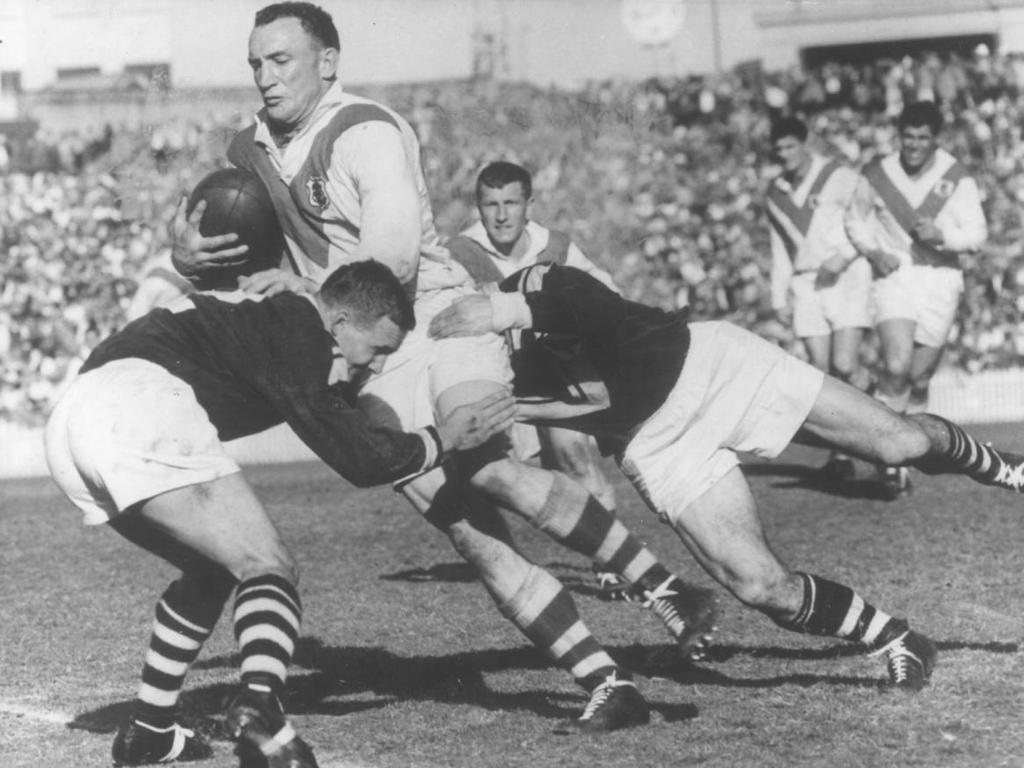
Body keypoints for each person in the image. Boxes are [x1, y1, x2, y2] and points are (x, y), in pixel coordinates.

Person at [168, 2, 715, 733]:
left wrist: (300, 288)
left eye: (282, 60)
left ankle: (663, 586)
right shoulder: (249, 153)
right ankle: (606, 681)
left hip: (435, 317)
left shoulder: (366, 132)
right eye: (256, 63)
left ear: (328, 61)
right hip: (366, 363)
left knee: (485, 465)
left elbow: (390, 264)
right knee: (471, 532)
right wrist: (188, 259)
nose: (265, 77)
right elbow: (244, 264)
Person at [430, 262, 1024, 692]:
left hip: (711, 365)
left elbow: (597, 308)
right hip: (658, 444)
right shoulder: (465, 378)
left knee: (900, 440)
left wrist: (503, 308)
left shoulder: (524, 287)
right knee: (759, 586)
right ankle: (898, 639)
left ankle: (1006, 470)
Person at [45, 261, 516, 767]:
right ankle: (260, 707)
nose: (377, 365)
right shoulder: (300, 327)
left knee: (212, 569)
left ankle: (150, 731)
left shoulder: (276, 319)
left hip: (73, 418)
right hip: (136, 406)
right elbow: (358, 459)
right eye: (377, 348)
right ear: (338, 323)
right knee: (269, 566)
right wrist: (444, 438)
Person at [446, 160, 622, 596]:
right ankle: (521, 562)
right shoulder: (460, 255)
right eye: (491, 204)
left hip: (556, 373)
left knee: (575, 458)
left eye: (511, 203)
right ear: (479, 208)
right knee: (503, 476)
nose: (501, 215)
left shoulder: (557, 248)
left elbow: (608, 297)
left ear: (529, 205)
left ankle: (616, 560)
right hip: (500, 379)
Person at [845, 100, 987, 499]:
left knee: (919, 377)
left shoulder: (956, 178)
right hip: (896, 277)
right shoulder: (876, 174)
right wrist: (874, 252)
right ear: (899, 135)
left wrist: (944, 236)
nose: (914, 144)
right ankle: (888, 457)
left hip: (941, 279)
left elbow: (977, 233)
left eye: (923, 137)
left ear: (934, 139)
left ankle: (905, 444)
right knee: (897, 364)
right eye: (908, 136)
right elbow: (854, 219)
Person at [766, 117, 871, 482]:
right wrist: (778, 296)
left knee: (846, 365)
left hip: (845, 277)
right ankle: (841, 454)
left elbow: (864, 223)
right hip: (806, 283)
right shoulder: (776, 193)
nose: (785, 155)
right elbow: (779, 249)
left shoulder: (839, 176)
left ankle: (876, 413)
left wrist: (842, 255)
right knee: (822, 375)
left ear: (804, 142)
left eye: (790, 147)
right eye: (779, 150)